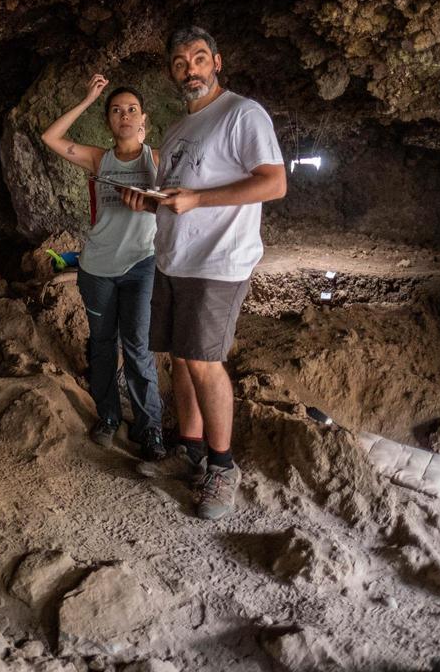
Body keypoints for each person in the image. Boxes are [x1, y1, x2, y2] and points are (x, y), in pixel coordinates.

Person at [123, 26, 286, 520]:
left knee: (203, 362)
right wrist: (148, 204)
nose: (189, 69)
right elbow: (179, 199)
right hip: (175, 258)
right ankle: (190, 449)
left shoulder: (241, 113)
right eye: (178, 62)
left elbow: (274, 183)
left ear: (217, 62)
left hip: (218, 262)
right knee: (179, 358)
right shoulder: (176, 130)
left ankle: (223, 466)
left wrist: (198, 199)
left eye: (198, 58)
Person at [39, 73, 167, 462]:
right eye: (116, 110)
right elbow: (51, 138)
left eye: (131, 110)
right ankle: (109, 417)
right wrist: (87, 98)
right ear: (109, 120)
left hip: (142, 265)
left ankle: (150, 430)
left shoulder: (158, 160)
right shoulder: (100, 159)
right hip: (96, 268)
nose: (124, 116)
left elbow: (183, 202)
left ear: (143, 118)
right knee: (102, 345)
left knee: (138, 347)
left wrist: (149, 201)